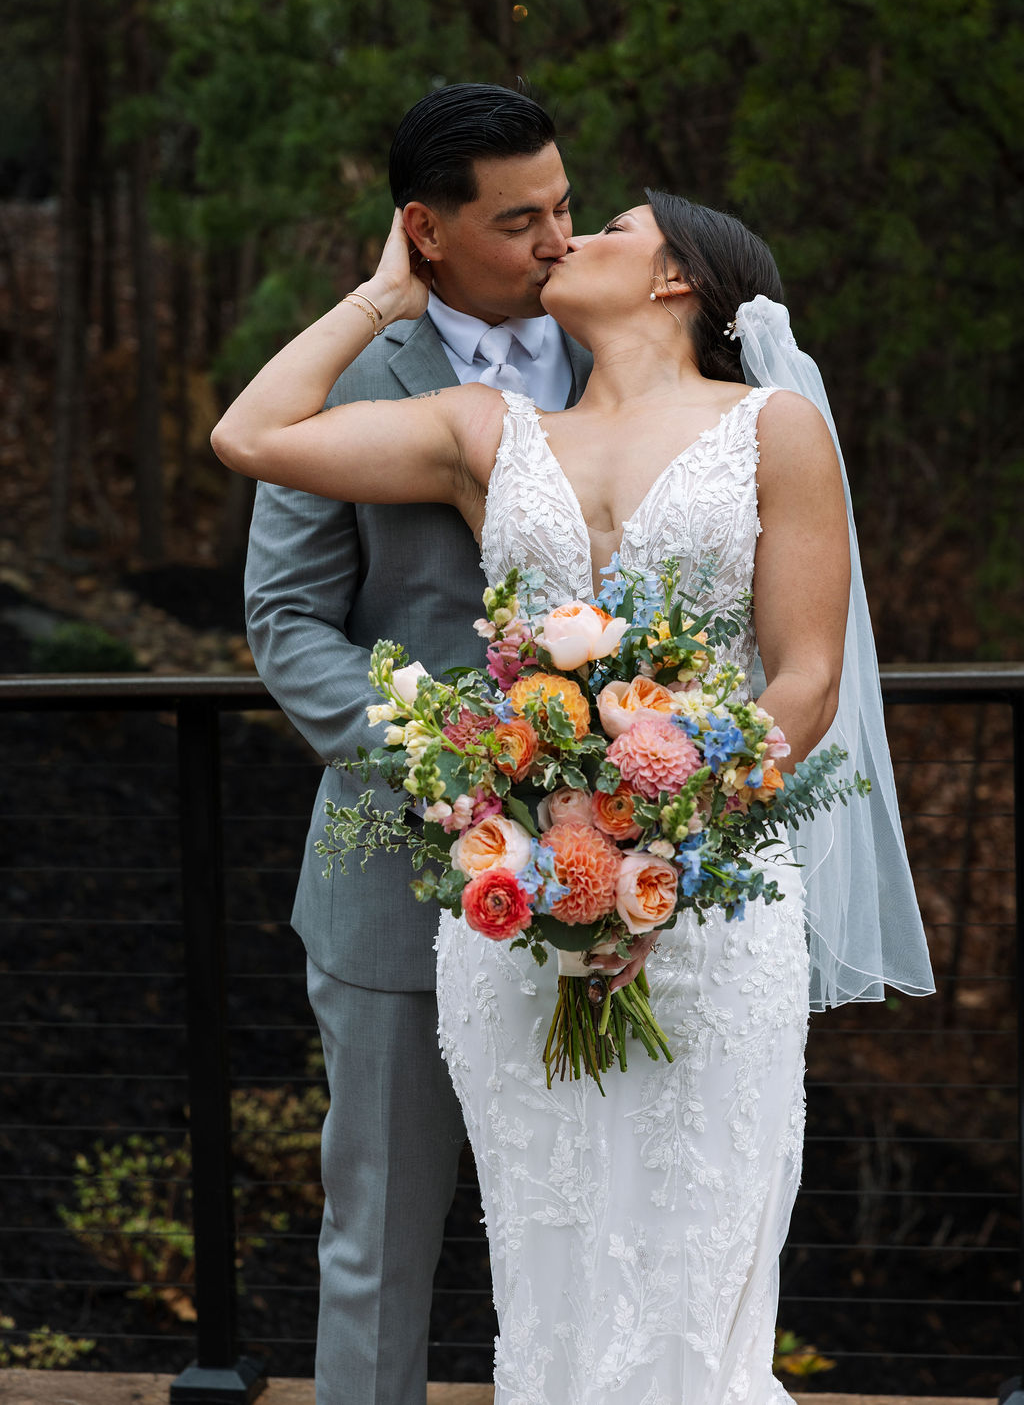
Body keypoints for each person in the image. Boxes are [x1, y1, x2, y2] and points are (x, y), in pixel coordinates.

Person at [219, 187, 934, 1404]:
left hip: (703, 900)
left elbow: (806, 678)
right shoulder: (485, 430)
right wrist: (383, 296)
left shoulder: (774, 429)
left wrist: (665, 833)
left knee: (693, 1262)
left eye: (605, 228)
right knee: (549, 1267)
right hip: (523, 905)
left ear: (675, 277)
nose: (564, 240)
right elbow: (251, 433)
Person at [242, 82, 591, 1405]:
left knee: (589, 1236)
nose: (559, 241)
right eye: (519, 220)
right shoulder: (335, 382)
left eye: (564, 204)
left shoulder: (628, 348)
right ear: (424, 229)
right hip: (397, 879)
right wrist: (449, 755)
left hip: (616, 873)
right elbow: (287, 624)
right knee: (381, 1239)